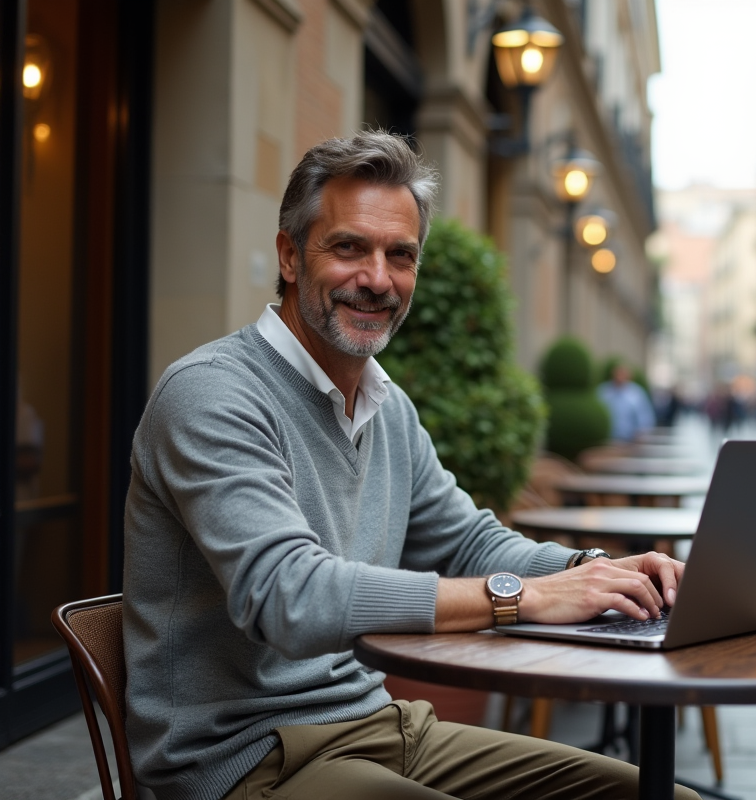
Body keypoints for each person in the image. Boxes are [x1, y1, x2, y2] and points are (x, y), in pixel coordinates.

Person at [122, 131, 698, 800]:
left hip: (382, 727)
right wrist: (518, 598)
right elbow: (289, 596)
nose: (377, 278)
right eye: (348, 247)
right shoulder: (212, 392)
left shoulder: (385, 405)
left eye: (401, 255)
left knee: (661, 797)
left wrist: (592, 572)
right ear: (288, 255)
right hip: (246, 760)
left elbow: (468, 542)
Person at [597, 363, 656, 442]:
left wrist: (641, 434)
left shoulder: (637, 393)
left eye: (623, 374)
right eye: (618, 373)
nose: (620, 377)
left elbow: (645, 417)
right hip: (606, 440)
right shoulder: (603, 391)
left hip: (629, 441)